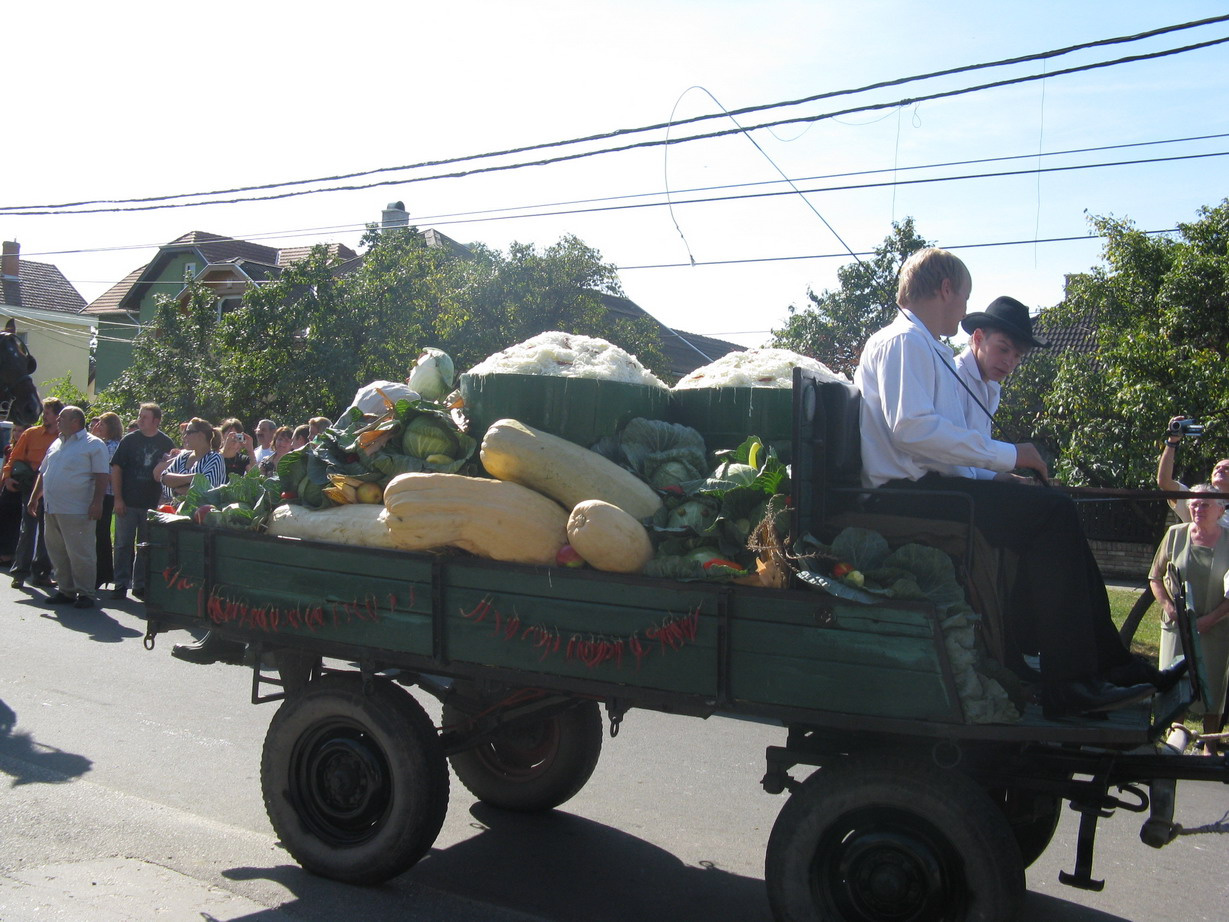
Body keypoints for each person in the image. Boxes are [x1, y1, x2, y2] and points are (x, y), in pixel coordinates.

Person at [854, 247, 1175, 718]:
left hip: (928, 490)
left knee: (1056, 509)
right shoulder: (904, 341)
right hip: (906, 496)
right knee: (1053, 513)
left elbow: (939, 440)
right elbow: (913, 429)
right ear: (947, 290)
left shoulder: (924, 345)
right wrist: (1011, 456)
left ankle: (1108, 664)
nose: (963, 309)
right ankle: (1070, 685)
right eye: (964, 298)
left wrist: (1003, 473)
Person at [1149, 484, 1229, 755]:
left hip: (1216, 627)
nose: (1197, 508)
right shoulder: (1174, 534)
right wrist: (1168, 607)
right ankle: (1174, 742)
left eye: (1205, 504)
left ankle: (1210, 746)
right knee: (1173, 682)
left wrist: (1210, 620)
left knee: (1213, 684)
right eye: (1194, 503)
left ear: (1220, 510)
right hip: (1176, 627)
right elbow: (1155, 577)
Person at [955, 296, 1049, 483]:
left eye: (1017, 356)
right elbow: (949, 456)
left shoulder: (991, 388)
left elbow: (972, 462)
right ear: (978, 338)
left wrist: (1002, 477)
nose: (1009, 362)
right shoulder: (954, 376)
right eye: (1003, 349)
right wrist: (1000, 474)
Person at [28, 406, 110, 608]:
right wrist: (34, 498)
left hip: (78, 509)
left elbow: (102, 475)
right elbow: (43, 472)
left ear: (75, 421)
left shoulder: (93, 445)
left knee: (80, 553)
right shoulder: (57, 443)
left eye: (62, 417)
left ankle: (86, 593)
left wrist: (97, 502)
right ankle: (66, 590)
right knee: (57, 551)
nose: (57, 420)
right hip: (52, 507)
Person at [110, 402, 176, 601]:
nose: (140, 420)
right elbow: (116, 468)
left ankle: (140, 585)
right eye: (139, 416)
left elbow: (171, 472)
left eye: (144, 417)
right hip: (128, 502)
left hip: (152, 505)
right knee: (122, 544)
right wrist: (118, 499)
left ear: (156, 421)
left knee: (145, 547)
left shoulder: (166, 442)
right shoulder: (129, 441)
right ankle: (120, 584)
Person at [4, 398, 64, 589]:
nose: (44, 417)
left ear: (57, 416)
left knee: (48, 533)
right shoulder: (31, 433)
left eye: (47, 413)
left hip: (54, 488)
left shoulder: (65, 437)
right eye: (43, 413)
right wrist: (6, 477)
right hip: (30, 486)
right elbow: (15, 457)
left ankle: (42, 573)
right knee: (27, 529)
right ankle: (20, 572)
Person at [1156, 425, 1229, 527]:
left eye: (1227, 468)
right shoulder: (1196, 499)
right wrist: (1172, 442)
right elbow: (1164, 482)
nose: (1220, 469)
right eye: (1217, 468)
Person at [89, 412, 123, 590]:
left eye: (102, 424)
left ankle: (102, 573)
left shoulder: (110, 446)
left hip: (106, 494)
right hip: (102, 494)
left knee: (100, 533)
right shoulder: (102, 444)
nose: (98, 427)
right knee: (98, 533)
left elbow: (108, 473)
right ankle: (102, 572)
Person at [154, 418, 226, 499]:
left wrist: (177, 486)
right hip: (175, 509)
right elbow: (164, 478)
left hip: (203, 510)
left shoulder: (215, 458)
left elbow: (206, 489)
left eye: (188, 432)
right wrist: (194, 477)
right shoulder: (183, 456)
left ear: (201, 435)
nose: (185, 436)